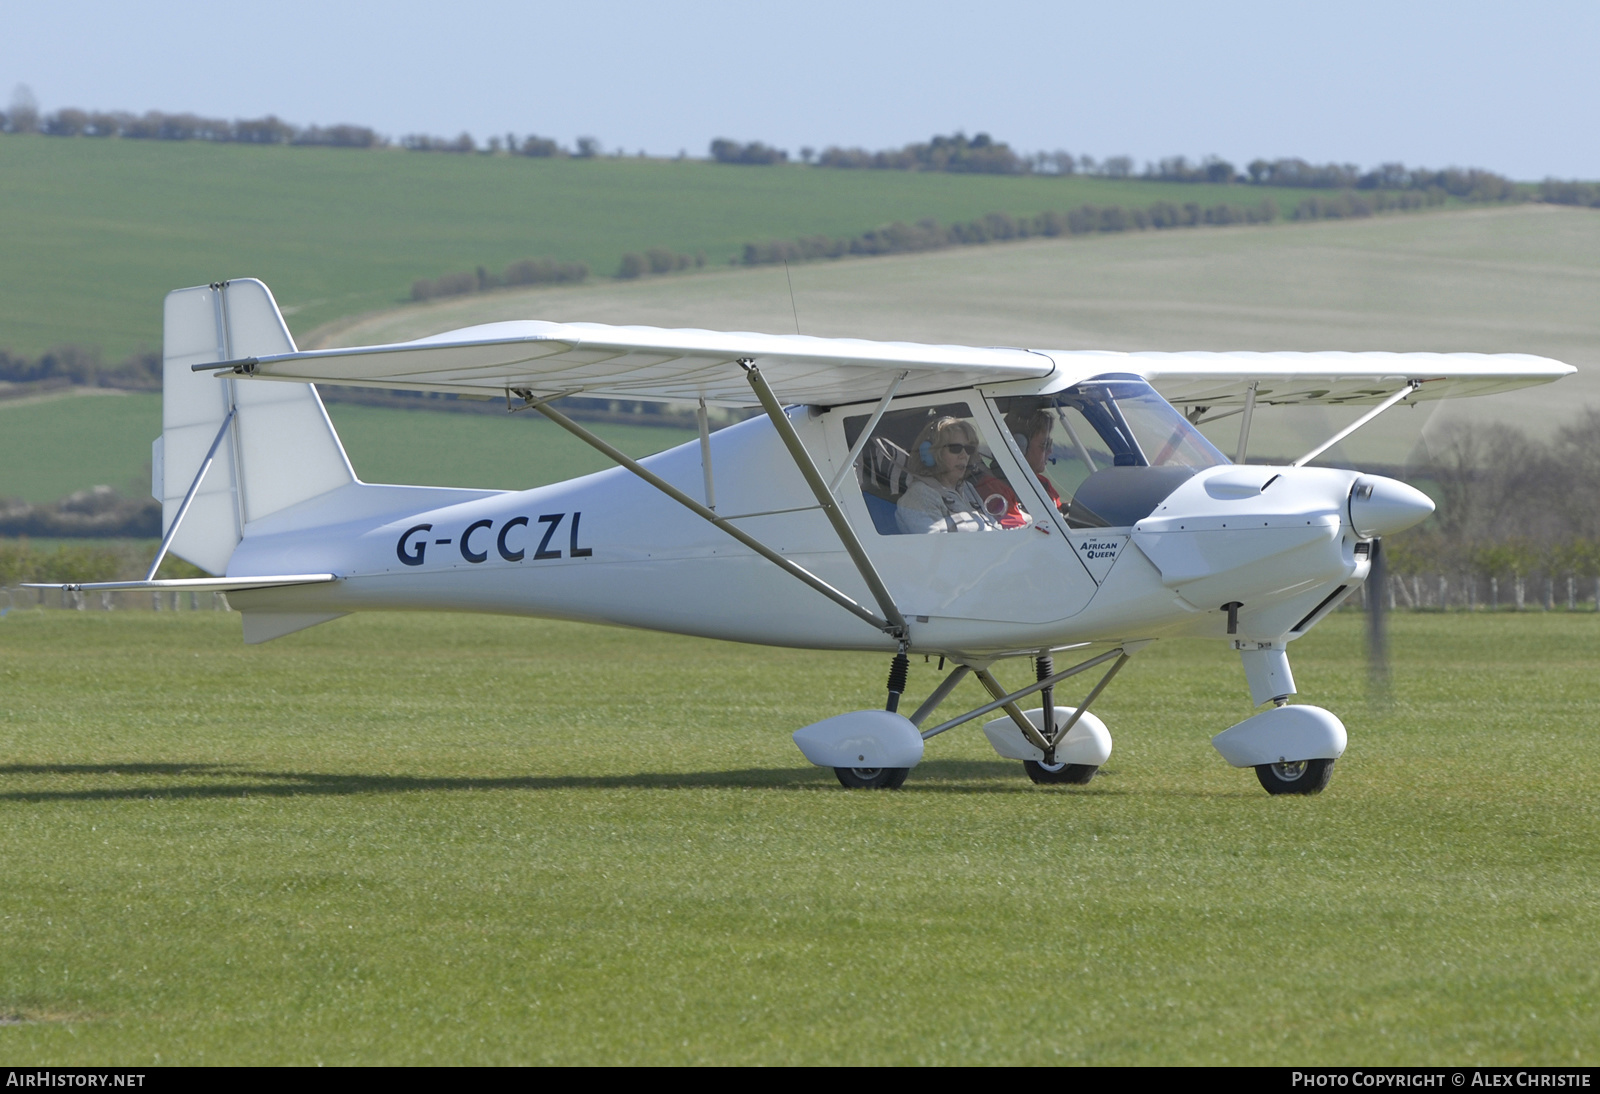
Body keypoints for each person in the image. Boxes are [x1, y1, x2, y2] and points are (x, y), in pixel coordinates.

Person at [895, 417, 1003, 534]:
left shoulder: (967, 489)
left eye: (969, 449)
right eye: (955, 448)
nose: (964, 455)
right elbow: (936, 546)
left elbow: (995, 529)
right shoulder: (919, 495)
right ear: (931, 452)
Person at [975, 408, 1063, 528]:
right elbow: (1016, 530)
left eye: (1050, 444)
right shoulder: (993, 489)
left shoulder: (1042, 484)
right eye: (1044, 445)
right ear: (1019, 446)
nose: (1050, 450)